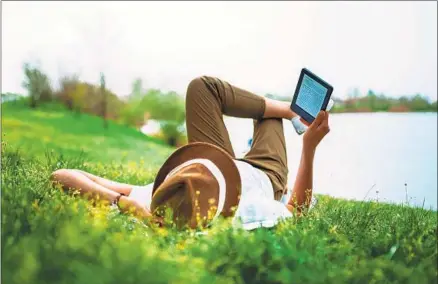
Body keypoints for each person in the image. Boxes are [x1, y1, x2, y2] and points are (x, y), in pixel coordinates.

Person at [51, 76, 330, 229]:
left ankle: (289, 109)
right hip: (265, 174)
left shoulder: (165, 197)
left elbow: (62, 175)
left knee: (202, 87)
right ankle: (289, 112)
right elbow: (297, 211)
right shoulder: (248, 211)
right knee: (269, 119)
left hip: (216, 162)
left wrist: (127, 205)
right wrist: (309, 149)